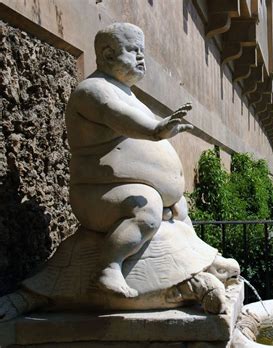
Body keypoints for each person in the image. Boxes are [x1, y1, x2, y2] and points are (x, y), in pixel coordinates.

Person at [66, 23, 193, 298]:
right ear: (109, 55)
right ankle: (108, 267)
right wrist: (155, 130)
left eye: (142, 51)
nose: (141, 57)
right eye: (133, 50)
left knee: (180, 209)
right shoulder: (92, 90)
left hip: (127, 188)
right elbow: (116, 115)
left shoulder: (127, 92)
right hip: (97, 193)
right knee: (147, 210)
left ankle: (200, 267)